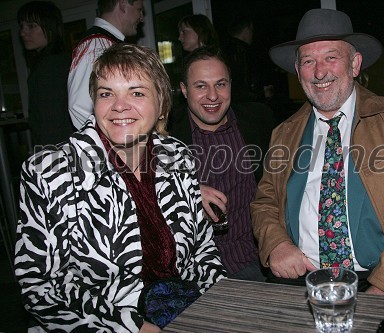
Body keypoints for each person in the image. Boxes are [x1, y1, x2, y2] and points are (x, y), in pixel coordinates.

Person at [251, 9, 384, 299]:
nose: (320, 72)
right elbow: (265, 203)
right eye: (308, 61)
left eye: (331, 57)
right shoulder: (282, 134)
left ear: (354, 64)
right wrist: (276, 243)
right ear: (298, 71)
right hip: (304, 280)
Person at [14, 43, 226, 332]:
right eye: (106, 93)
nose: (119, 105)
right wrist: (134, 328)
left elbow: (203, 251)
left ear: (162, 102)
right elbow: (39, 287)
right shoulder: (50, 173)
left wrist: (223, 305)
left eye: (136, 92)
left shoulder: (178, 157)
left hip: (184, 311)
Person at [168, 46, 275, 281]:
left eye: (220, 84)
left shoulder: (260, 121)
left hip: (257, 259)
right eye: (200, 86)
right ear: (184, 90)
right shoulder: (165, 138)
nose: (213, 96)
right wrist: (186, 190)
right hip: (194, 270)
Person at [67, 0, 145, 129]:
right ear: (123, 4)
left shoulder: (105, 44)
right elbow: (80, 106)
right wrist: (110, 141)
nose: (141, 17)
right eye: (139, 9)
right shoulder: (97, 45)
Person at [17, 1, 74, 146]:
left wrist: (46, 158)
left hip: (56, 151)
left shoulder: (52, 64)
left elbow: (51, 121)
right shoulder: (54, 61)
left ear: (50, 27)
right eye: (21, 26)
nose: (23, 32)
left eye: (31, 26)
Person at [220, 13, 255, 102]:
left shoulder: (222, 49)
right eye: (252, 30)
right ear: (247, 29)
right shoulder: (241, 51)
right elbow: (243, 83)